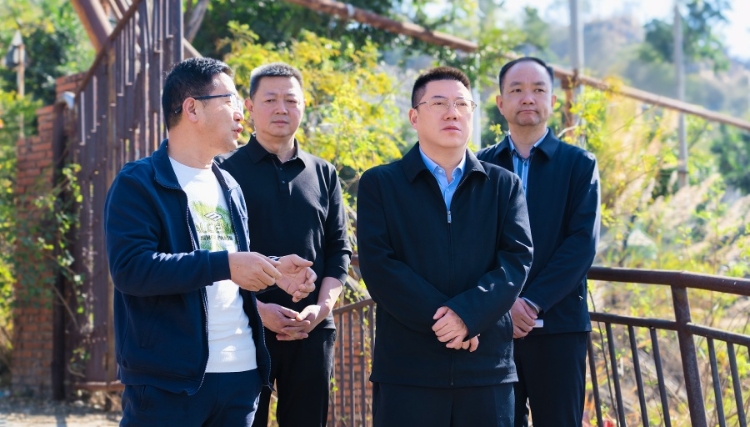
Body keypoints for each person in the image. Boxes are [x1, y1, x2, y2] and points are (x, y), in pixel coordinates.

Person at [104, 57, 318, 426]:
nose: (241, 112)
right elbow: (131, 269)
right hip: (169, 383)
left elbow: (228, 271)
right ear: (192, 109)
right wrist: (227, 264)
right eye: (230, 100)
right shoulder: (139, 182)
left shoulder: (229, 184)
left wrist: (272, 270)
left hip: (241, 377)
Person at [357, 66, 534, 427]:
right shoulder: (381, 184)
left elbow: (515, 261)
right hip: (409, 369)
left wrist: (468, 316)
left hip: (486, 369)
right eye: (438, 103)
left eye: (462, 104)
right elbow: (379, 265)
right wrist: (448, 322)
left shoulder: (504, 185)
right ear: (414, 117)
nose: (452, 113)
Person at [217, 63, 352, 427]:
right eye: (270, 99)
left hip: (311, 330)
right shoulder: (222, 170)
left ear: (303, 105)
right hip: (243, 328)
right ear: (249, 106)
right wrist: (258, 310)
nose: (281, 108)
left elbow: (338, 251)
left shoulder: (323, 173)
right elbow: (215, 255)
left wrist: (321, 309)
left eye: (291, 100)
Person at [476, 57, 601, 427]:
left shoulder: (579, 164)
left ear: (552, 101)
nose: (527, 98)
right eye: (516, 90)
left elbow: (581, 244)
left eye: (538, 89)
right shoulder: (479, 166)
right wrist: (503, 305)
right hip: (493, 329)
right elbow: (473, 243)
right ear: (501, 103)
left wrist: (530, 302)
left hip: (559, 326)